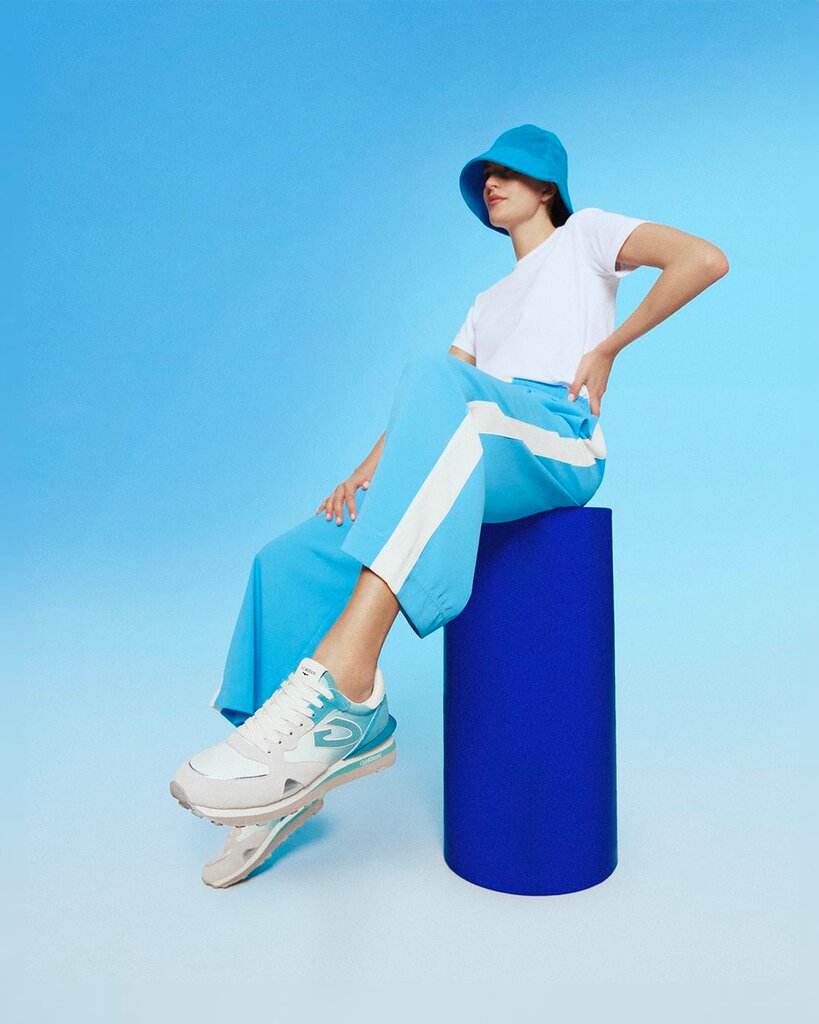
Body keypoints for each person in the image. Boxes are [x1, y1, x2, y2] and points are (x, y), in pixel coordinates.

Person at [170, 124, 729, 888]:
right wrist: (365, 472)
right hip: (476, 431)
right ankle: (281, 787)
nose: (492, 183)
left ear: (546, 188)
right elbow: (431, 401)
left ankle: (347, 686)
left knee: (437, 381)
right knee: (291, 556)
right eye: (486, 175)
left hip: (554, 439)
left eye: (510, 172)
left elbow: (702, 259)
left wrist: (608, 347)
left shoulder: (589, 237)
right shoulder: (484, 302)